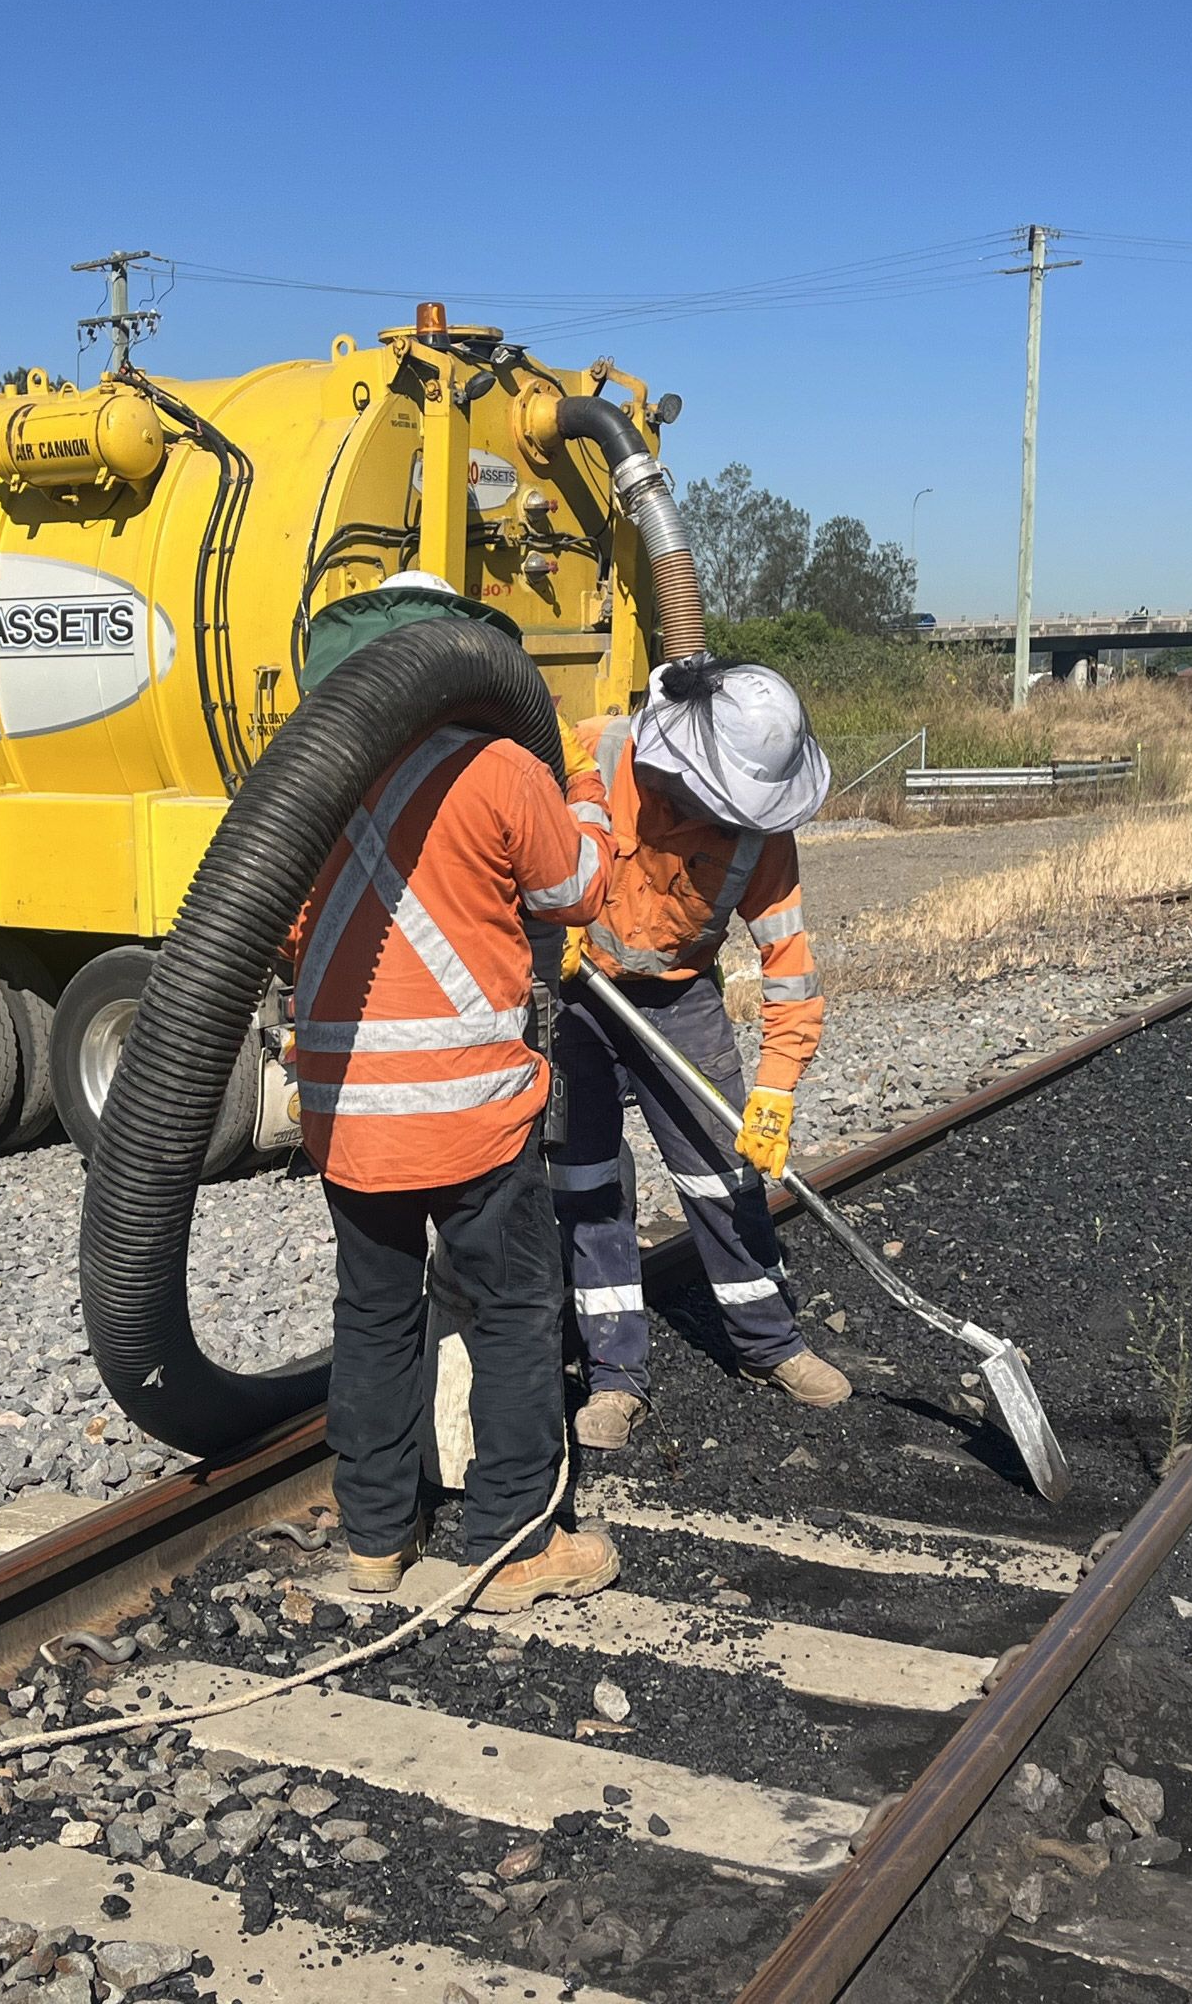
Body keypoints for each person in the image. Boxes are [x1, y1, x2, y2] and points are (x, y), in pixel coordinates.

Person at [290, 571, 621, 1607]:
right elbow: (578, 893)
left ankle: (376, 1538)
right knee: (515, 1311)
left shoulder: (300, 776)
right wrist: (587, 796)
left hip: (349, 1120)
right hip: (474, 1112)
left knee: (374, 1317)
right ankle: (519, 1541)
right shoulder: (498, 768)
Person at [552, 653, 850, 1451]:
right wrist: (543, 921)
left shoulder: (759, 838)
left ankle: (767, 1343)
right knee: (586, 1188)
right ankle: (615, 1375)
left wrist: (778, 1090)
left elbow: (791, 973)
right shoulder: (592, 756)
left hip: (681, 1001)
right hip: (576, 999)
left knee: (724, 1171)